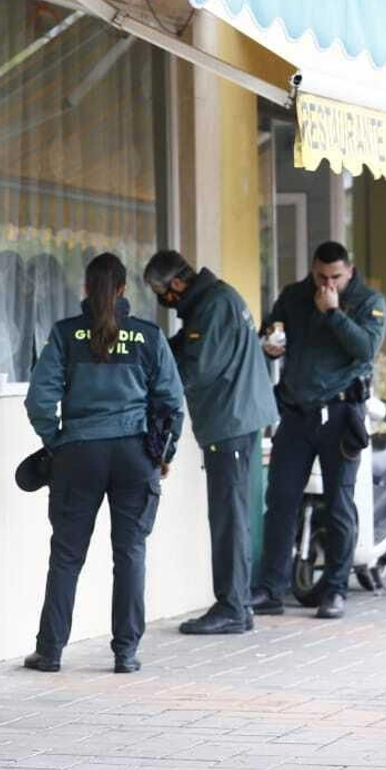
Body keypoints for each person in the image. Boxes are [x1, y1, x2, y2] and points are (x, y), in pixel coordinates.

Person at [22, 253, 185, 674]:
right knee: (130, 553)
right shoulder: (148, 336)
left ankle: (51, 651)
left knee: (66, 556)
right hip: (135, 455)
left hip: (79, 455)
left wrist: (56, 441)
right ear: (123, 290)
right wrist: (164, 453)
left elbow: (40, 399)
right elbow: (171, 401)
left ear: (85, 290)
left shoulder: (65, 335)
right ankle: (125, 653)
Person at [144, 251, 278, 636]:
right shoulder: (212, 301)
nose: (161, 298)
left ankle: (233, 607)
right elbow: (184, 347)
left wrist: (152, 386)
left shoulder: (213, 306)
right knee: (230, 514)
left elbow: (194, 366)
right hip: (235, 419)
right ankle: (237, 604)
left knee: (228, 517)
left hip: (230, 422)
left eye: (160, 290)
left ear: (178, 283)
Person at [252, 241, 386, 621]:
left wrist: (333, 314)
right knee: (280, 501)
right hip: (296, 413)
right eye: (321, 276)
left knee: (338, 504)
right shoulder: (295, 295)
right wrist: (270, 343)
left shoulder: (367, 301)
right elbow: (272, 332)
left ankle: (335, 590)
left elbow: (365, 349)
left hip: (341, 413)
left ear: (350, 270)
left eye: (336, 277)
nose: (328, 284)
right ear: (312, 270)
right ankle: (270, 589)